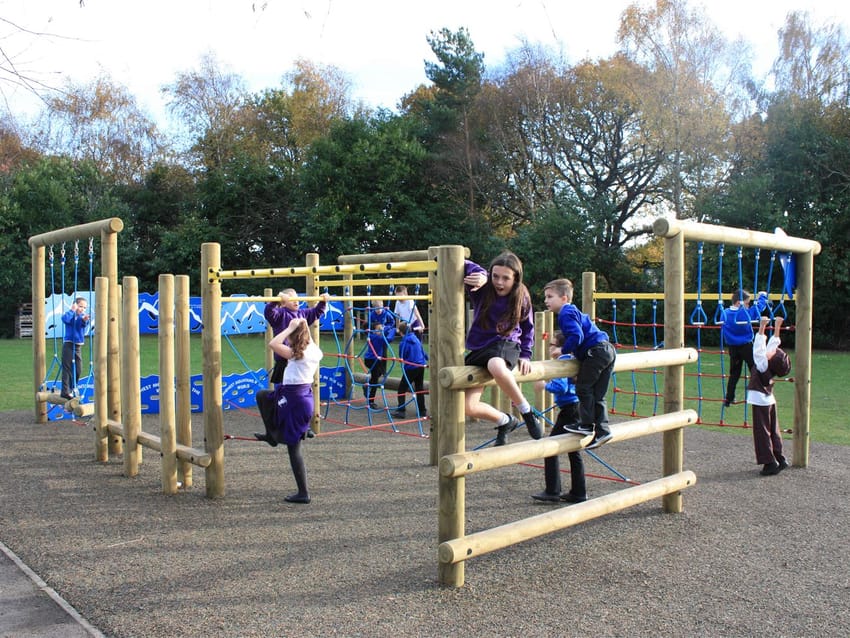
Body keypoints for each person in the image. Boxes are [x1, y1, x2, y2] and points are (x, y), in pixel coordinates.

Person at [463, 251, 542, 446]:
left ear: (515, 279)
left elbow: (528, 327)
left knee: (497, 366)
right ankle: (505, 421)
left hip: (506, 343)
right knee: (468, 406)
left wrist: (525, 354)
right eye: (495, 276)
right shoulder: (482, 287)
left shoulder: (520, 295)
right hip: (480, 347)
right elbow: (459, 260)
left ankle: (526, 411)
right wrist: (480, 274)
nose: (499, 282)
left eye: (506, 278)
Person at [254, 317, 322, 504]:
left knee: (294, 448)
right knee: (263, 397)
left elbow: (273, 343)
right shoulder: (314, 350)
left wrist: (289, 328)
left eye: (289, 336)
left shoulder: (296, 354)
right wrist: (299, 323)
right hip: (299, 397)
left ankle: (303, 493)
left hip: (295, 399)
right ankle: (272, 435)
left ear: (293, 337)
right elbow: (304, 334)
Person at [543, 278, 617, 449]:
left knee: (583, 389)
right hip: (607, 350)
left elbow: (577, 336)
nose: (546, 301)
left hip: (596, 352)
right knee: (597, 394)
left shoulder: (565, 313)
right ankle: (602, 430)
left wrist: (563, 350)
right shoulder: (573, 311)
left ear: (564, 298)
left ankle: (586, 425)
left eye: (550, 296)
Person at [531, 331, 587, 504]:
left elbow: (561, 387)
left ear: (562, 347)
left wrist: (544, 385)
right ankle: (578, 492)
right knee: (573, 450)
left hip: (570, 410)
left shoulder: (563, 361)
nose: (550, 348)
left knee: (551, 447)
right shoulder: (570, 359)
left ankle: (552, 490)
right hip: (576, 408)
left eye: (553, 345)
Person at [264, 288, 328, 437]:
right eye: (291, 299)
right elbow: (269, 312)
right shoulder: (280, 314)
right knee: (281, 397)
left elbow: (317, 312)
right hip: (285, 361)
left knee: (301, 395)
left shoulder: (303, 314)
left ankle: (303, 427)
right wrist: (276, 301)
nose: (296, 301)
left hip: (299, 360)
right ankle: (278, 426)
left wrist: (323, 301)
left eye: (297, 298)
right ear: (284, 302)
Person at [747, 316, 791, 476]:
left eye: (773, 353)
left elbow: (757, 348)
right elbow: (774, 343)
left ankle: (770, 463)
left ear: (771, 359)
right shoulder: (770, 363)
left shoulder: (762, 364)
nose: (771, 350)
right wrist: (777, 326)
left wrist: (762, 326)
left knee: (762, 431)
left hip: (760, 400)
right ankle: (780, 458)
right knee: (773, 429)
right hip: (769, 400)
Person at [721, 289, 761, 407]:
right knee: (754, 369)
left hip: (733, 347)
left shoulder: (725, 313)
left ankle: (729, 398)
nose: (748, 306)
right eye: (747, 303)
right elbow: (758, 310)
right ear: (739, 303)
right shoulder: (744, 313)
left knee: (734, 373)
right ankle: (758, 393)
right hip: (746, 346)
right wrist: (762, 297)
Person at [394, 320, 428, 418]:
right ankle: (422, 411)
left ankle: (401, 411)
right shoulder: (416, 338)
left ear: (401, 332)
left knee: (401, 389)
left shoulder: (403, 343)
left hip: (411, 367)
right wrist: (426, 359)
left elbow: (402, 356)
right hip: (421, 366)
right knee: (419, 388)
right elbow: (422, 350)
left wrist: (401, 359)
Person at [61, 297, 90, 400]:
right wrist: (72, 310)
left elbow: (81, 324)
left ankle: (73, 387)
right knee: (67, 368)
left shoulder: (81, 316)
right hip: (69, 344)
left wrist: (84, 320)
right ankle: (65, 391)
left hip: (78, 346)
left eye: (85, 307)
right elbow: (65, 319)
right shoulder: (71, 314)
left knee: (78, 369)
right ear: (75, 305)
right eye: (81, 306)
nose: (83, 309)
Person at [363, 319, 393, 409]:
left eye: (381, 328)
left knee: (378, 374)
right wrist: (394, 330)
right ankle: (371, 401)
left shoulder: (371, 335)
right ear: (374, 330)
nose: (381, 330)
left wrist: (388, 328)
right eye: (379, 329)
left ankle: (366, 385)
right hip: (372, 360)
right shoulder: (378, 338)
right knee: (375, 379)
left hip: (371, 359)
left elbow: (385, 329)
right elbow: (389, 339)